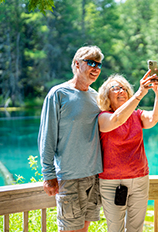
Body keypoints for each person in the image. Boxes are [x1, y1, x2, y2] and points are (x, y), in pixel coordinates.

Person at [38, 45, 104, 232]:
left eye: (98, 65)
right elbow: (47, 137)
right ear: (76, 64)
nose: (95, 68)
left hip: (94, 176)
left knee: (84, 229)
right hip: (69, 177)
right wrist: (48, 175)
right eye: (90, 62)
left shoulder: (96, 97)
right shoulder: (58, 94)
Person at [97, 68, 158, 232]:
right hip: (111, 183)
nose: (122, 91)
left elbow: (155, 118)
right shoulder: (103, 117)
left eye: (124, 88)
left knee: (136, 229)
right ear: (106, 96)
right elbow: (117, 119)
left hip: (140, 179)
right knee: (115, 229)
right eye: (116, 88)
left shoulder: (137, 115)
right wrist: (140, 94)